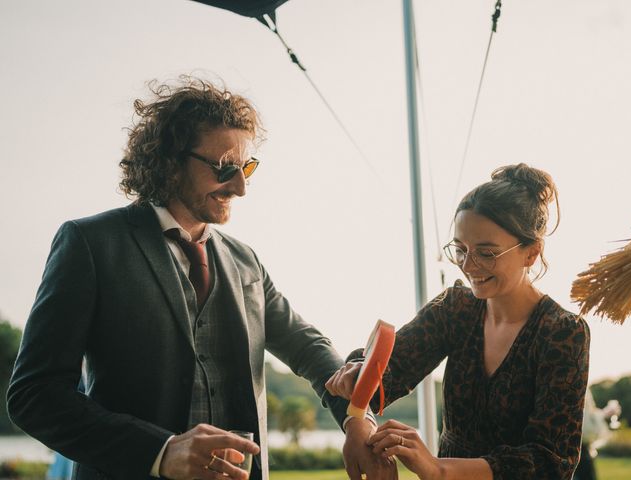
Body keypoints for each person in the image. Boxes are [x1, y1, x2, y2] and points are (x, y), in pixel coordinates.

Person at [7, 77, 391, 480]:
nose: (241, 187)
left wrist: (354, 419)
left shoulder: (246, 261)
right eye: (225, 168)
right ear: (170, 161)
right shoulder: (90, 243)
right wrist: (160, 452)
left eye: (247, 168)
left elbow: (309, 348)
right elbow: (34, 396)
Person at [327, 163, 591, 479]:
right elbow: (389, 367)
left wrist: (438, 469)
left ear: (531, 253)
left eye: (486, 252)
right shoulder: (456, 309)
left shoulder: (562, 333)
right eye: (460, 249)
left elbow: (549, 462)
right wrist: (357, 411)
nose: (468, 265)